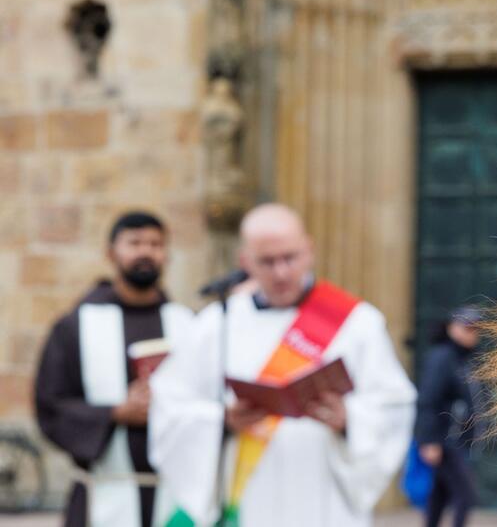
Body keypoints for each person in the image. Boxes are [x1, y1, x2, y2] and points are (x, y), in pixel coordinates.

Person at [149, 203, 416, 527]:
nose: (281, 272)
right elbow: (170, 405)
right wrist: (222, 420)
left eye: (290, 258)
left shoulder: (357, 324)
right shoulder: (216, 324)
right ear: (245, 261)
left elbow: (393, 406)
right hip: (245, 497)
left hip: (324, 499)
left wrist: (349, 420)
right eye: (267, 261)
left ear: (309, 250)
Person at [34, 211, 194, 527]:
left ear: (166, 255)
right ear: (111, 253)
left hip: (176, 493)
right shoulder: (75, 326)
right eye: (134, 243)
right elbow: (50, 405)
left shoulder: (188, 325)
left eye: (155, 244)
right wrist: (117, 412)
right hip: (104, 492)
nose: (146, 251)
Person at [415, 307, 484, 527]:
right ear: (452, 328)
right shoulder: (443, 358)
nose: (472, 333)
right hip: (446, 442)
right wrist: (429, 441)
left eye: (475, 328)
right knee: (465, 495)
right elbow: (428, 400)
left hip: (459, 442)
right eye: (467, 327)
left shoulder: (466, 360)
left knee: (439, 496)